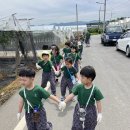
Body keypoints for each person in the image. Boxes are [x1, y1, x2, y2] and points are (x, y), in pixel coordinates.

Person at [59, 66, 104, 130]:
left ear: (90, 79)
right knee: (76, 125)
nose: (80, 78)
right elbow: (72, 94)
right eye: (81, 76)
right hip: (79, 107)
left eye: (82, 77)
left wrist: (99, 113)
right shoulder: (79, 87)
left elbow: (98, 101)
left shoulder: (95, 90)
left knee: (90, 126)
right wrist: (64, 102)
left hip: (90, 109)